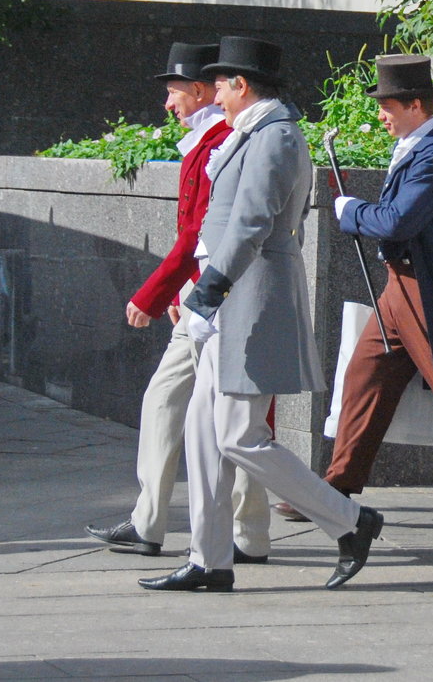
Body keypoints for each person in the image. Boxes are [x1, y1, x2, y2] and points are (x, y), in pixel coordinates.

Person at [139, 36, 382, 592]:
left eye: (221, 85)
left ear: (242, 86)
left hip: (247, 297)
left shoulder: (275, 137)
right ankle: (209, 559)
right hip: (228, 297)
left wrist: (209, 290)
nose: (214, 95)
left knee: (239, 437)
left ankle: (350, 521)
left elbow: (251, 223)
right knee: (205, 434)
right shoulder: (255, 133)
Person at [85, 42, 270, 563]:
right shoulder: (210, 138)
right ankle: (237, 532)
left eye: (172, 92)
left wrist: (162, 291)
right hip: (206, 288)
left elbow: (202, 231)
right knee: (207, 411)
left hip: (219, 290)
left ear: (199, 89)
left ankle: (186, 527)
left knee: (210, 410)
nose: (167, 105)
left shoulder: (223, 141)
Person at [325, 54, 433, 503]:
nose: (381, 114)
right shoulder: (417, 148)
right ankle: (337, 486)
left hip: (429, 290)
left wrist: (351, 212)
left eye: (388, 105)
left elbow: (398, 222)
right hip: (400, 287)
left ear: (416, 106)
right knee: (365, 376)